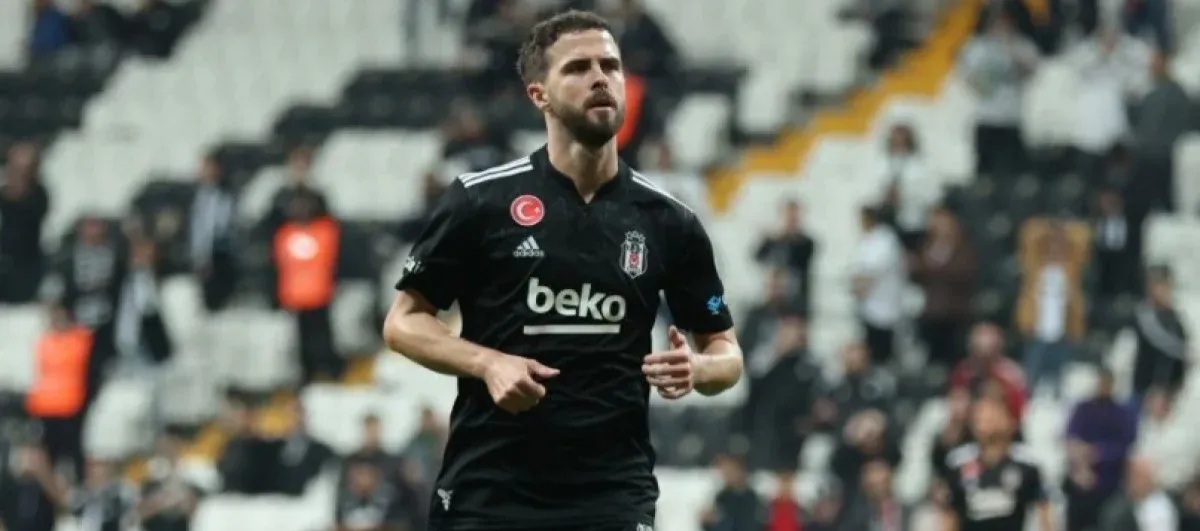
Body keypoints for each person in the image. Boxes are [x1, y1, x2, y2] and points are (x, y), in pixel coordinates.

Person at [382, 10, 743, 531]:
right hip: (489, 492)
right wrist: (487, 363)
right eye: (577, 68)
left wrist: (699, 369)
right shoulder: (480, 201)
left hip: (612, 496)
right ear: (539, 95)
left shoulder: (669, 220)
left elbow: (725, 352)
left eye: (610, 66)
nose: (600, 78)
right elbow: (403, 322)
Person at [943, 397, 1053, 531]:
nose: (986, 423)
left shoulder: (1027, 463)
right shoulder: (958, 463)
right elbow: (949, 514)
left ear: (1010, 421)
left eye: (992, 416)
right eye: (981, 418)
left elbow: (1043, 511)